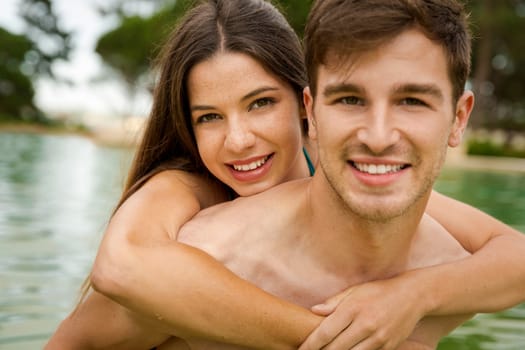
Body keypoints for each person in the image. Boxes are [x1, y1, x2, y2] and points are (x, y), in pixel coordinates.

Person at [45, 0, 525, 349]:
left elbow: (512, 254)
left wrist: (408, 297)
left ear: (304, 106)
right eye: (209, 117)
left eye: (260, 103)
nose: (238, 140)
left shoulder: (353, 174)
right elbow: (122, 266)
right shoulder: (193, 200)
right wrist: (340, 336)